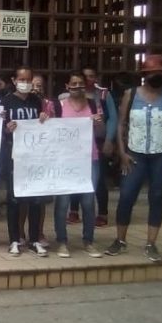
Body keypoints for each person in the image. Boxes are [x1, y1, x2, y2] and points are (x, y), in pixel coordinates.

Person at [106, 54, 162, 262]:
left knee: (157, 197)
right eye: (153, 73)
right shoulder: (131, 94)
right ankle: (120, 240)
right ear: (145, 74)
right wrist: (122, 152)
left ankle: (151, 243)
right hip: (134, 154)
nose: (157, 76)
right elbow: (121, 124)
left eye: (161, 73)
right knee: (126, 196)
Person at [52, 72, 104, 258]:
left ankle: (88, 241)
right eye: (73, 83)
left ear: (86, 85)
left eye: (80, 83)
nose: (77, 86)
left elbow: (100, 131)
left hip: (90, 159)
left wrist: (98, 123)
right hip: (64, 160)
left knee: (89, 202)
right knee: (63, 202)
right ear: (67, 86)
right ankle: (62, 242)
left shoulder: (93, 104)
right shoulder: (58, 106)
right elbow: (50, 130)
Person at [1, 66, 49, 257]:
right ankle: (14, 239)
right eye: (22, 79)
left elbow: (42, 126)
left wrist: (44, 119)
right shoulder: (5, 102)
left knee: (36, 200)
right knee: (14, 199)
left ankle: (35, 239)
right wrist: (6, 129)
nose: (25, 83)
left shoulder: (36, 101)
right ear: (14, 80)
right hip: (14, 157)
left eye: (28, 79)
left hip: (34, 157)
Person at [66, 65, 118, 228]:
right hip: (75, 145)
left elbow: (113, 118)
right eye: (85, 76)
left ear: (96, 78)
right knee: (74, 176)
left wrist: (109, 139)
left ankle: (102, 212)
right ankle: (73, 210)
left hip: (97, 142)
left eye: (91, 76)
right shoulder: (68, 97)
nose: (88, 79)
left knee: (99, 178)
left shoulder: (103, 94)